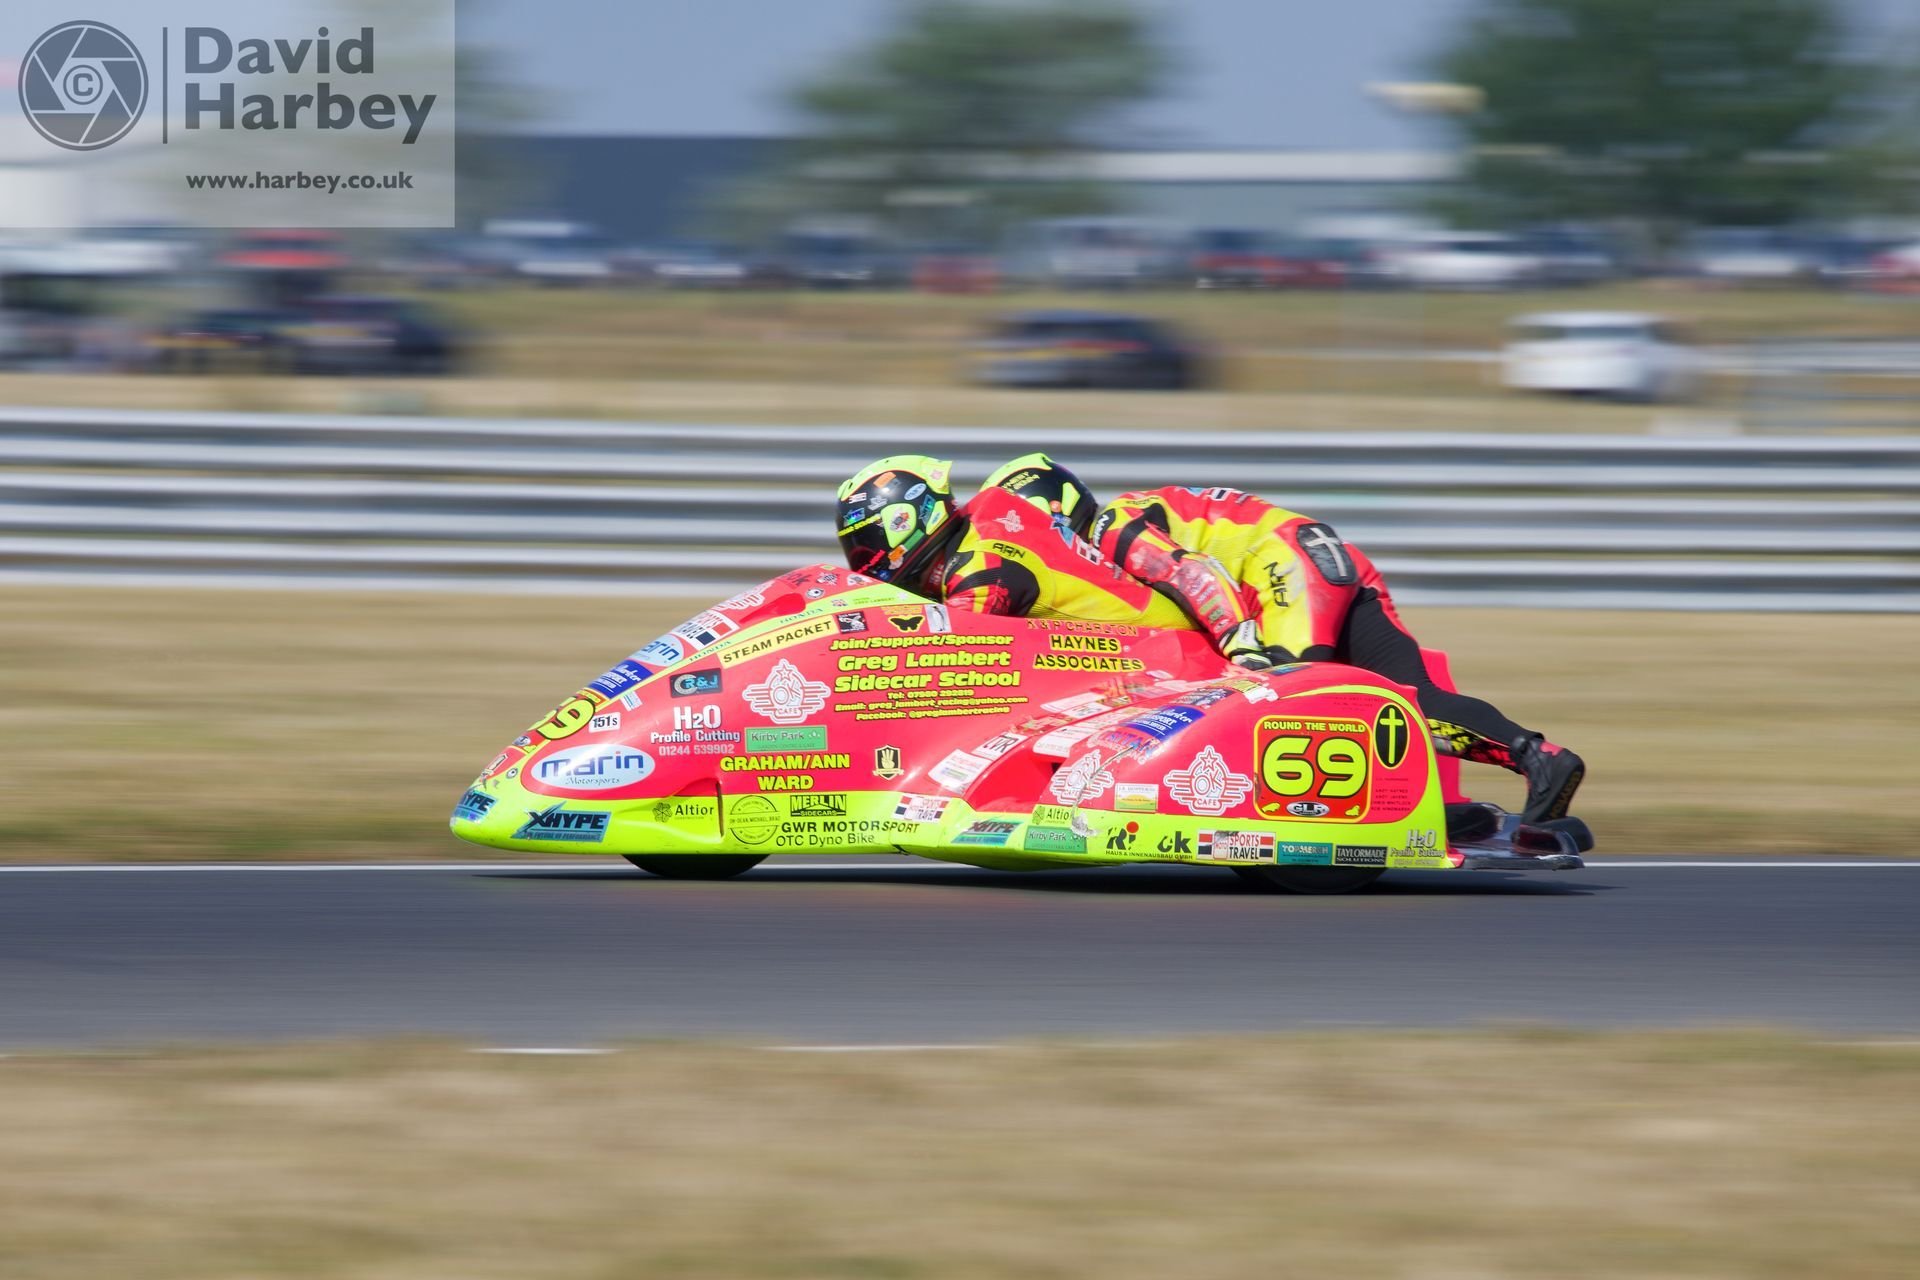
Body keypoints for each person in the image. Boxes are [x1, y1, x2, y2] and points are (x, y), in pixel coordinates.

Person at [1089, 485, 1584, 825]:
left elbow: (1195, 576)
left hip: (1287, 567)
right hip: (1329, 558)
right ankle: (1540, 759)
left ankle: (1334, 816)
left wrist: (1243, 647)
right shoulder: (1143, 506)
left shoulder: (1113, 525)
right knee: (1412, 701)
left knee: (1287, 697)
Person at [833, 452, 1190, 628]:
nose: (864, 558)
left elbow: (945, 650)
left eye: (866, 541)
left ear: (906, 519)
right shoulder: (976, 535)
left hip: (1161, 650)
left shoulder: (980, 562)